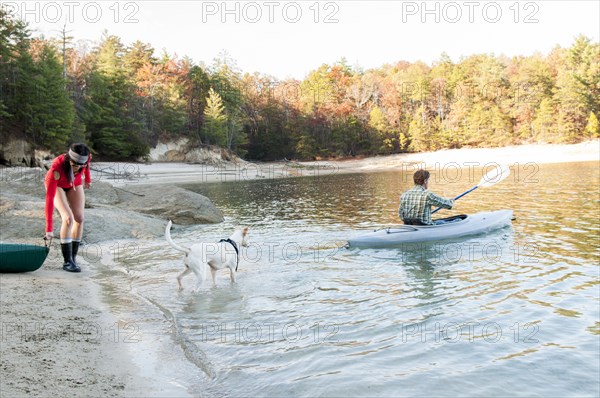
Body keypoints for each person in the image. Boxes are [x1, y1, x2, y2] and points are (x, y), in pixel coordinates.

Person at [44, 143, 92, 272]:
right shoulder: (56, 169)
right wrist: (49, 229)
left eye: (81, 165)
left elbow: (87, 166)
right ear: (69, 159)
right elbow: (49, 199)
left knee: (80, 218)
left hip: (74, 183)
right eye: (75, 165)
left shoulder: (85, 158)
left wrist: (87, 179)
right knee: (68, 218)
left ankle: (73, 258)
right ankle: (67, 262)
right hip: (58, 184)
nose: (78, 168)